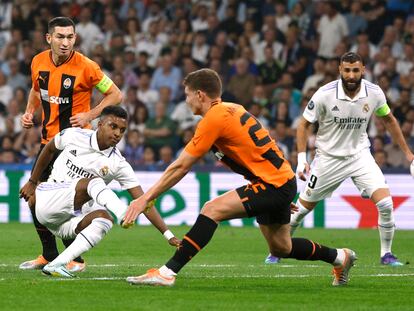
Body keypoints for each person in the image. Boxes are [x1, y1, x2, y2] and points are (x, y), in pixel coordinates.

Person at [122, 68, 356, 287]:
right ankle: (340, 257)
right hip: (278, 180)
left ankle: (167, 273)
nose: (186, 100)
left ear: (200, 94)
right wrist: (281, 189)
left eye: (188, 95)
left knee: (211, 209)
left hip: (273, 183)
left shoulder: (213, 118)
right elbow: (263, 150)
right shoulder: (234, 109)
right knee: (281, 247)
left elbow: (181, 166)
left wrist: (145, 198)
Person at [264, 52, 414, 266]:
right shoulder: (324, 94)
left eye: (355, 70)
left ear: (363, 70)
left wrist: (409, 154)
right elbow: (304, 124)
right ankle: (278, 249)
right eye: (347, 70)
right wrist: (302, 158)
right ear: (340, 71)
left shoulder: (374, 93)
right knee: (300, 210)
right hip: (328, 159)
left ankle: (386, 254)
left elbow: (388, 120)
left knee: (386, 204)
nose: (351, 75)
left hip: (360, 156)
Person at [19, 106, 180, 277]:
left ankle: (57, 264)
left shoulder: (118, 163)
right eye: (113, 126)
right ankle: (123, 214)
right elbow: (49, 149)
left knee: (104, 219)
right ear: (100, 124)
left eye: (122, 130)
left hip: (68, 222)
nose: (118, 133)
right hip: (48, 202)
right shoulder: (74, 135)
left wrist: (168, 235)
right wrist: (32, 181)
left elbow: (143, 200)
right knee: (94, 182)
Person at [19, 17, 123, 272]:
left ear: (75, 38)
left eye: (70, 37)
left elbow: (115, 94)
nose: (65, 43)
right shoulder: (38, 61)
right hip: (48, 143)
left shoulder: (87, 67)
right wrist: (29, 111)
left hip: (74, 147)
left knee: (64, 203)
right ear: (49, 38)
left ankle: (75, 259)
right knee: (34, 199)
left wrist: (91, 115)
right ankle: (48, 255)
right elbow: (36, 89)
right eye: (60, 37)